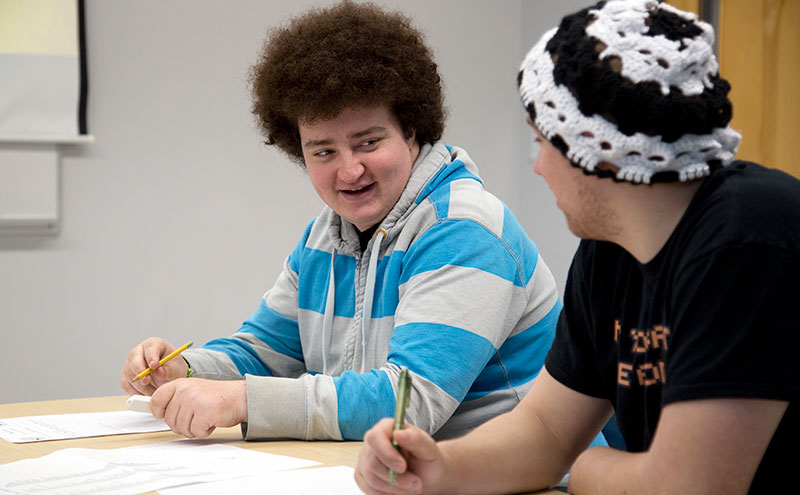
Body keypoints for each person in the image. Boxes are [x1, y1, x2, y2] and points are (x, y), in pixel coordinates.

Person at [354, 0, 800, 493]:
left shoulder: (749, 236)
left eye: (542, 143)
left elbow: (686, 487)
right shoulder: (610, 249)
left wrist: (588, 470)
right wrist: (439, 467)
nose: (538, 167)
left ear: (598, 149)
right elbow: (545, 432)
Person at [119, 1, 564, 443]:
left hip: (524, 481)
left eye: (368, 142)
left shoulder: (464, 229)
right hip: (402, 475)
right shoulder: (325, 236)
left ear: (411, 130)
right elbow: (266, 352)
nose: (349, 171)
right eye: (323, 151)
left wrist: (240, 400)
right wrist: (187, 369)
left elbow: (408, 404)